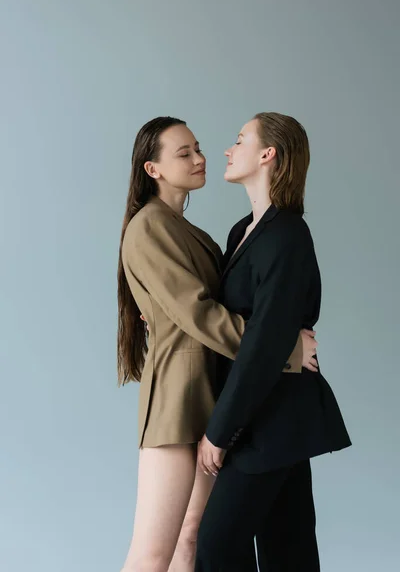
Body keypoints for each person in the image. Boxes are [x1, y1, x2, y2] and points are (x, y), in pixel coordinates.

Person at [117, 117, 318, 572]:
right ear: (153, 170)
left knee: (193, 539)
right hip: (177, 399)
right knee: (154, 551)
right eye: (184, 153)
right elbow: (200, 313)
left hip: (211, 396)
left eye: (198, 148)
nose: (201, 158)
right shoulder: (150, 227)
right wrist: (287, 351)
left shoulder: (196, 232)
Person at [195, 112, 352, 571]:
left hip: (274, 420)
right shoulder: (242, 231)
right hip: (265, 419)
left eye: (240, 139)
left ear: (268, 154)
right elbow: (223, 318)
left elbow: (264, 341)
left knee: (221, 547)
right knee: (290, 549)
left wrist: (218, 433)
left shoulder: (287, 235)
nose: (228, 149)